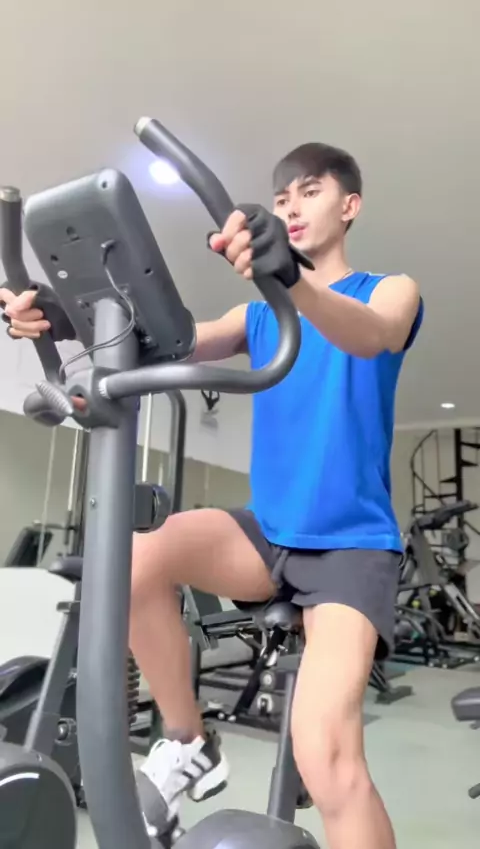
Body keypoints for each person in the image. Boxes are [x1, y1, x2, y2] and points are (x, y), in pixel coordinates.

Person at [0, 141, 423, 849]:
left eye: (310, 192)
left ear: (349, 205)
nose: (291, 207)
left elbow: (373, 336)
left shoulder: (388, 291)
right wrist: (69, 316)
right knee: (128, 562)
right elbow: (166, 341)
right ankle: (190, 741)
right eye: (282, 198)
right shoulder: (255, 317)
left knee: (327, 757)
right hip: (269, 533)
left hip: (350, 547)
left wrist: (291, 281)